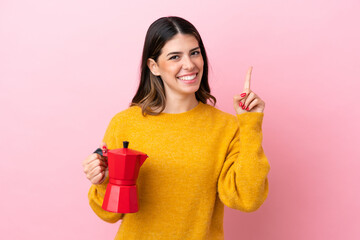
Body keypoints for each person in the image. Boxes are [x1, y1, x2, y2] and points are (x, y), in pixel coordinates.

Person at [82, 16, 270, 240]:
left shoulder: (227, 127)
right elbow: (110, 214)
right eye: (174, 57)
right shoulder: (125, 124)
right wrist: (103, 180)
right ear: (154, 66)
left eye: (195, 52)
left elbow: (247, 199)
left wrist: (250, 125)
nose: (190, 64)